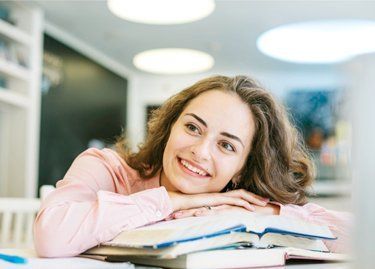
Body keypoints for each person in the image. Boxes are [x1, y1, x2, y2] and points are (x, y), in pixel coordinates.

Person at [34, 75, 351, 258]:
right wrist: (173, 200)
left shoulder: (239, 205)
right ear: (170, 126)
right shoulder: (105, 167)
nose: (200, 151)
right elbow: (51, 237)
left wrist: (264, 213)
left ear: (242, 168)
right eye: (193, 128)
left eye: (226, 145)